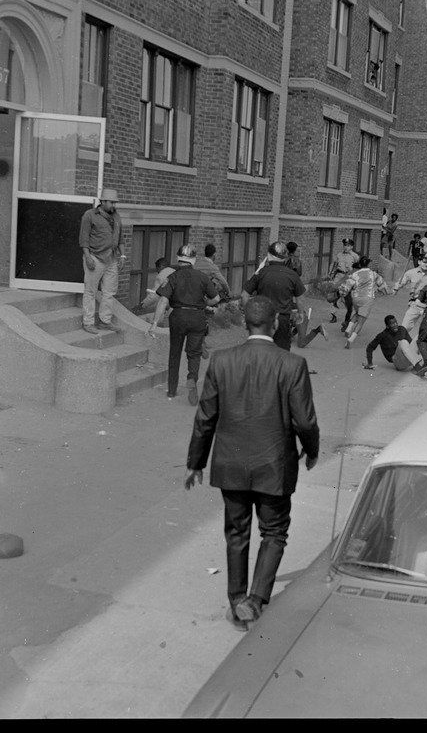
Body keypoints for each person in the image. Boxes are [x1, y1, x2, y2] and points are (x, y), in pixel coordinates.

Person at [184, 295, 320, 631]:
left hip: (230, 464)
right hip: (275, 464)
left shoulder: (221, 361)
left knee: (236, 533)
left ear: (246, 323)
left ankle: (236, 599)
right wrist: (312, 450)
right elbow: (304, 421)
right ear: (275, 324)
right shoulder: (292, 364)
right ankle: (255, 600)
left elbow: (205, 417)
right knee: (274, 532)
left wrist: (195, 463)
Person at [149, 245, 220, 404]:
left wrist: (154, 323)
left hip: (178, 316)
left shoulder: (173, 277)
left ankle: (172, 390)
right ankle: (192, 378)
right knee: (194, 353)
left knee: (174, 353)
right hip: (197, 317)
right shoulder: (202, 277)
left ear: (178, 258)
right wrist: (205, 302)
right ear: (194, 259)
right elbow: (216, 299)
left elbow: (163, 300)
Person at [242, 241, 306, 352]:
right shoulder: (292, 275)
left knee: (261, 351)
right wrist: (300, 313)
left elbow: (244, 295)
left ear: (268, 256)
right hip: (282, 319)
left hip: (262, 318)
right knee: (282, 353)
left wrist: (248, 314)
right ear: (284, 258)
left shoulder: (261, 273)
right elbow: (300, 298)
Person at [79, 187, 127, 334]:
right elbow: (84, 238)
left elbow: (120, 238)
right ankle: (88, 323)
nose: (114, 205)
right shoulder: (89, 215)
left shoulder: (117, 216)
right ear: (103, 201)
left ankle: (105, 321)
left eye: (115, 202)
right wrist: (88, 257)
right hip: (95, 257)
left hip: (112, 259)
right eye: (111, 202)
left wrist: (122, 255)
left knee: (109, 292)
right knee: (90, 291)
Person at [339, 255, 389, 348]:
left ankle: (349, 327)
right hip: (368, 298)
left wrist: (342, 295)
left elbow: (346, 286)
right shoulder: (373, 274)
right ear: (368, 264)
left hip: (356, 298)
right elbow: (382, 284)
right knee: (361, 320)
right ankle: (351, 339)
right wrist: (382, 290)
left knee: (357, 313)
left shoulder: (355, 274)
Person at [194, 244, 231, 359]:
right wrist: (228, 292)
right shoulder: (212, 267)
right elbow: (223, 282)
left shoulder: (197, 263)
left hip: (193, 293)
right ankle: (201, 341)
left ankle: (199, 340)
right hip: (204, 295)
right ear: (214, 255)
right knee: (206, 315)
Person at [363, 315, 427, 373]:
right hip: (399, 362)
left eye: (396, 322)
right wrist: (370, 363)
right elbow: (370, 347)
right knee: (403, 342)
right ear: (387, 326)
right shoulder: (382, 335)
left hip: (409, 358)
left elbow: (410, 344)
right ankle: (418, 366)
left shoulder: (402, 329)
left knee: (422, 336)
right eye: (392, 324)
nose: (395, 325)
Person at [394, 255, 427, 336]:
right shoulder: (411, 273)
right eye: (424, 262)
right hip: (415, 304)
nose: (426, 264)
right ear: (419, 262)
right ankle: (398, 346)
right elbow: (401, 282)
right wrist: (396, 287)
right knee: (404, 328)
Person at [326, 238, 359, 324]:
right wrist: (330, 275)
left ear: (352, 246)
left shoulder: (355, 256)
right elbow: (333, 265)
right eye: (344, 245)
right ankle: (333, 315)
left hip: (349, 278)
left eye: (348, 245)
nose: (346, 247)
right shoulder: (339, 255)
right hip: (339, 277)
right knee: (335, 296)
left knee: (348, 298)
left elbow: (358, 268)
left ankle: (348, 317)